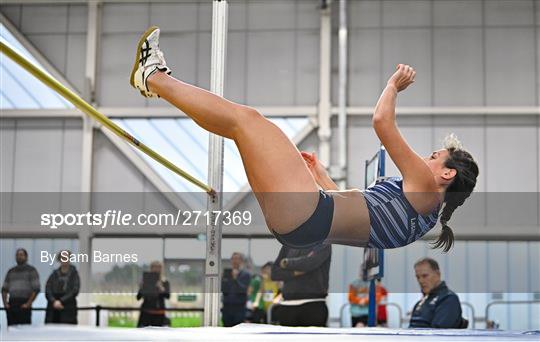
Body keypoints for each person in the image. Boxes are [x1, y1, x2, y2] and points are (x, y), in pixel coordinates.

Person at [130, 27, 479, 252]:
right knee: (241, 128)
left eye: (435, 156)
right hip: (305, 225)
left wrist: (392, 86)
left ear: (447, 174)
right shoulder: (424, 215)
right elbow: (359, 214)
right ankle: (156, 80)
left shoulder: (425, 190)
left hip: (309, 212)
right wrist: (320, 176)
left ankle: (154, 77)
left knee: (246, 120)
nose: (427, 158)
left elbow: (382, 122)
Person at [270, 244, 331, 327]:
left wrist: (286, 263)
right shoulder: (288, 244)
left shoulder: (322, 243)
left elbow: (310, 263)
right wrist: (294, 272)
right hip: (287, 305)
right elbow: (274, 273)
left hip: (313, 305)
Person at [409, 257, 467, 329]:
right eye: (418, 277)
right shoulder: (420, 303)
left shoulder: (448, 299)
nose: (420, 281)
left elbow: (438, 335)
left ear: (437, 274)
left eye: (425, 276)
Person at [2, 248, 40, 326]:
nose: (19, 257)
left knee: (24, 329)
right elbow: (4, 289)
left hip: (24, 302)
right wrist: (5, 304)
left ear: (26, 257)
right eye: (17, 255)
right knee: (11, 329)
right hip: (12, 303)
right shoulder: (11, 271)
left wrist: (28, 303)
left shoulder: (31, 271)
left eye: (21, 255)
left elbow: (36, 289)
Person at [45, 250, 80, 324]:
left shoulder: (74, 274)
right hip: (53, 309)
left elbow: (75, 290)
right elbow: (48, 288)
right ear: (59, 259)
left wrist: (61, 301)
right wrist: (54, 301)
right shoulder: (54, 274)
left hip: (68, 308)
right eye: (62, 257)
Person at [136, 261, 170, 327]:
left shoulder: (165, 282)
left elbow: (167, 296)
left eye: (158, 267)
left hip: (159, 314)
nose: (156, 269)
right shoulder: (146, 281)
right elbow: (138, 297)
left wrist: (161, 288)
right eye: (154, 267)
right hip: (146, 313)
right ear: (151, 269)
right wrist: (141, 288)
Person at [221, 252, 251, 327]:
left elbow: (243, 289)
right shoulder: (227, 273)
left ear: (241, 261)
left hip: (239, 308)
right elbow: (223, 288)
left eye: (237, 259)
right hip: (227, 307)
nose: (235, 261)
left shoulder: (246, 274)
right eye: (233, 259)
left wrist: (235, 279)